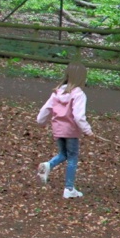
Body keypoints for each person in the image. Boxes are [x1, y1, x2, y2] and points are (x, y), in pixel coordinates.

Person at [36, 63, 93, 199]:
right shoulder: (78, 94)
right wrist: (87, 130)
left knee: (63, 153)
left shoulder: (57, 92)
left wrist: (41, 121)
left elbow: (46, 109)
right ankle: (69, 188)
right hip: (71, 131)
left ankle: (48, 165)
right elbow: (78, 116)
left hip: (58, 129)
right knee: (72, 157)